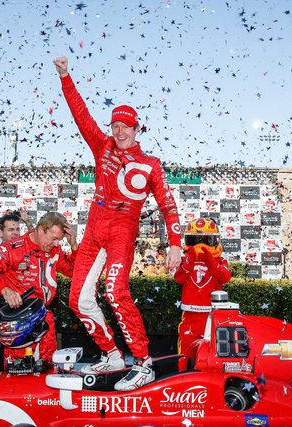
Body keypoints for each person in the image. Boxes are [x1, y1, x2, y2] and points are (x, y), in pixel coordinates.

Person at [54, 56, 182, 391]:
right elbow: (81, 115)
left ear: (137, 128)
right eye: (115, 125)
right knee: (78, 300)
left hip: (121, 234)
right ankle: (112, 354)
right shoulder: (102, 146)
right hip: (94, 232)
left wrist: (176, 245)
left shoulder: (151, 164)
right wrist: (66, 76)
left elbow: (168, 205)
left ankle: (143, 362)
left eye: (126, 125)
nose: (120, 131)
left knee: (115, 292)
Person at [0, 212, 78, 369]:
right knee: (19, 373)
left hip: (44, 320)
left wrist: (74, 246)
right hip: (17, 323)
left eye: (59, 240)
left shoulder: (54, 250)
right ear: (40, 230)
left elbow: (72, 271)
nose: (56, 243)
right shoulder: (13, 248)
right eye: (53, 238)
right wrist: (4, 289)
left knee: (47, 369)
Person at [175, 218, 231, 360]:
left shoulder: (220, 261)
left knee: (211, 347)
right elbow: (179, 278)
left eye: (205, 240)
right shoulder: (185, 260)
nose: (200, 245)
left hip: (211, 313)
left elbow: (225, 277)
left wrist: (210, 261)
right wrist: (189, 261)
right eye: (194, 240)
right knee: (186, 346)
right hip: (190, 313)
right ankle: (183, 370)